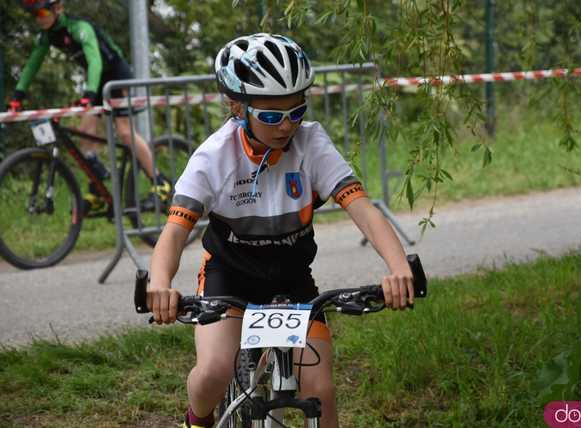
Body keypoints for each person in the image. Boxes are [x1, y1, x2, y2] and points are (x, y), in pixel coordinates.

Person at [145, 33, 415, 428]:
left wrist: (398, 267)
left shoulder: (312, 144)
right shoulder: (213, 157)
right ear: (238, 108)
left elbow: (362, 208)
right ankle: (196, 421)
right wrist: (160, 283)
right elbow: (172, 234)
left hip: (292, 280)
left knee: (320, 392)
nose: (286, 126)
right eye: (271, 116)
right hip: (228, 276)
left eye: (296, 111)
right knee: (214, 372)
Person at [9, 0, 171, 213]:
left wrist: (89, 94)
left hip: (116, 76)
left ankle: (161, 183)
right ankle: (97, 189)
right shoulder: (48, 36)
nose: (38, 18)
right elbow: (32, 65)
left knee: (123, 131)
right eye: (34, 14)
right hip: (98, 82)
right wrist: (17, 96)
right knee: (85, 131)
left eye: (41, 11)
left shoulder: (80, 28)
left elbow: (95, 61)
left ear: (57, 9)